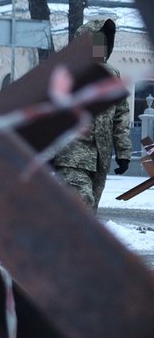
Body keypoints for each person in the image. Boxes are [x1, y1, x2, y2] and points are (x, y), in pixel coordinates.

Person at [52, 18, 132, 214]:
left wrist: (123, 153)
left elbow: (120, 115)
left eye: (103, 42)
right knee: (83, 203)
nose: (100, 46)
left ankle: (65, 242)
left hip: (100, 158)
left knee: (88, 212)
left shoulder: (112, 74)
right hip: (70, 156)